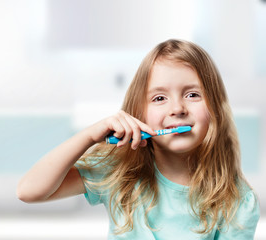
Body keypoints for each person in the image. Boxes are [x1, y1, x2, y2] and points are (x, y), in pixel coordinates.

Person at [17, 39, 260, 239]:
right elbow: (29, 191)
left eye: (192, 94)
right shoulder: (117, 171)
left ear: (215, 109)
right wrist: (89, 136)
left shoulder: (236, 201)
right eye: (159, 98)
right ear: (139, 115)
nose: (177, 108)